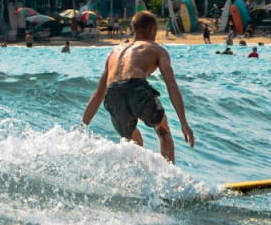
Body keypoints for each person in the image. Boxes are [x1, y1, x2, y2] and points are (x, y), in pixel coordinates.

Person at [82, 10, 195, 162]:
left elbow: (98, 94)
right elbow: (171, 85)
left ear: (134, 29)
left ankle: (136, 181)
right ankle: (170, 179)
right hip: (136, 88)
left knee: (134, 140)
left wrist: (83, 126)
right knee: (163, 129)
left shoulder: (114, 52)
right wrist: (183, 123)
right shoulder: (156, 49)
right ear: (152, 30)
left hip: (113, 94)